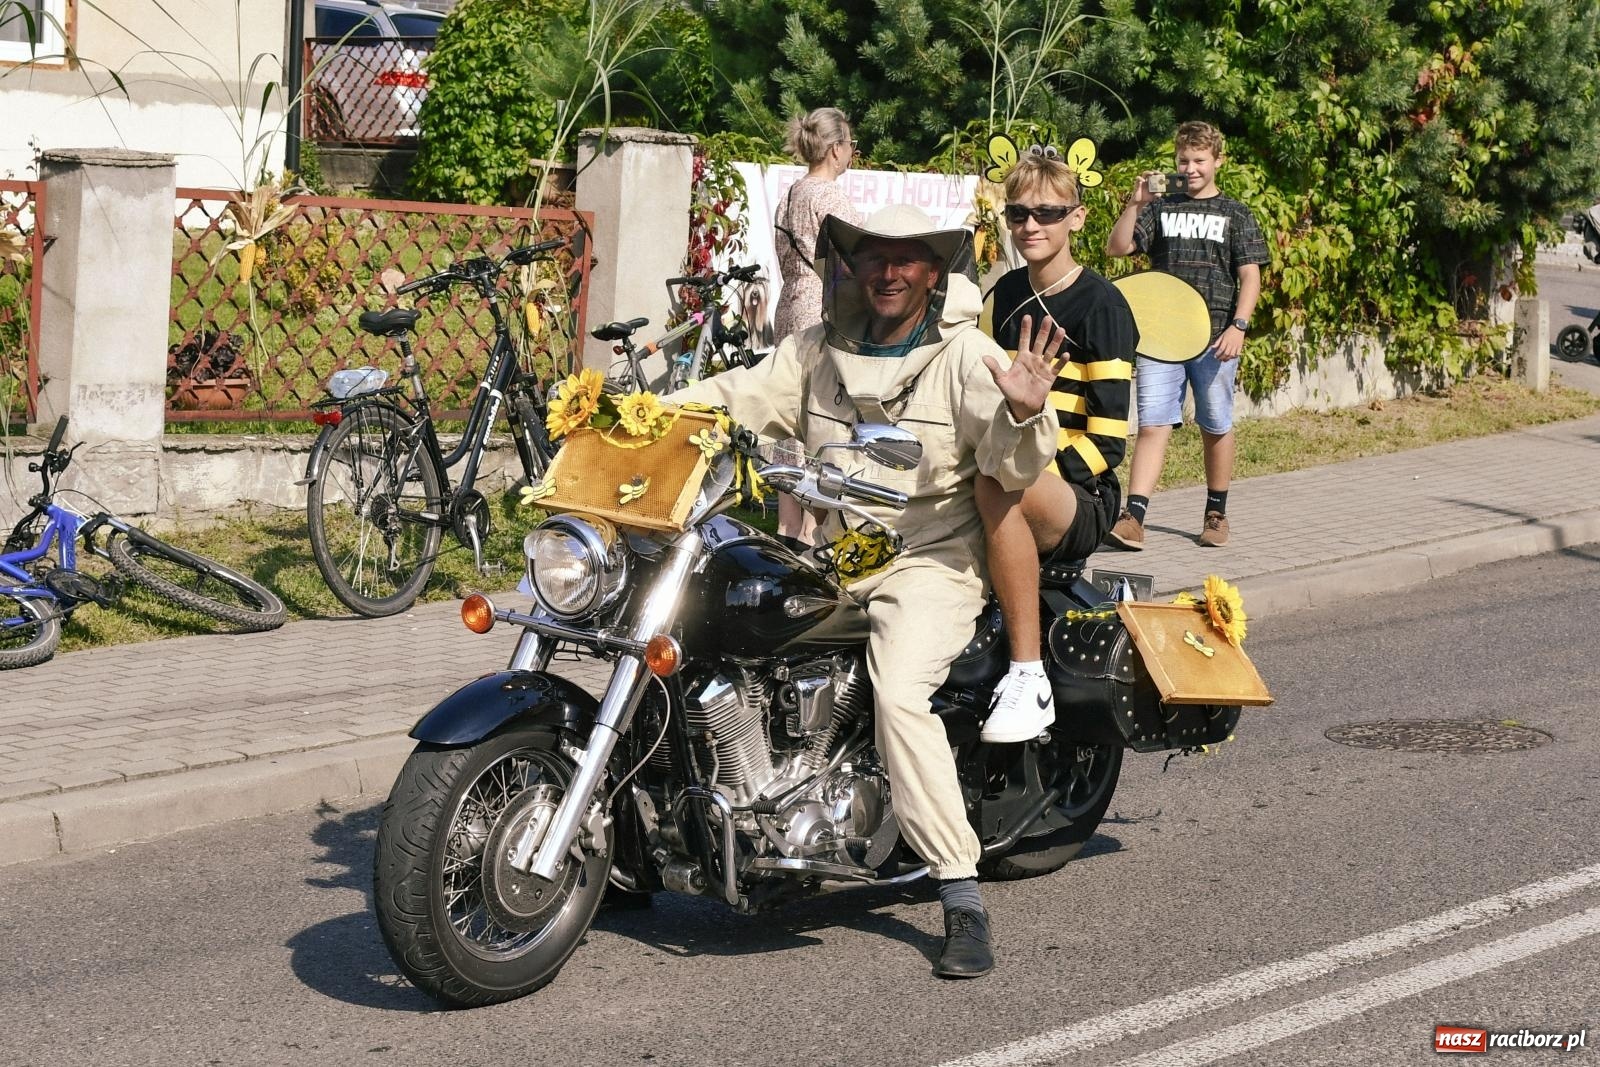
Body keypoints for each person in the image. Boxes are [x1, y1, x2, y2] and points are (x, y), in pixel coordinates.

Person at [671, 203, 1066, 980]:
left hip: (930, 558)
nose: (887, 273)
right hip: (840, 552)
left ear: (932, 272)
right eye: (874, 258)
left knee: (899, 691)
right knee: (707, 620)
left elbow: (1009, 466)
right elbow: (743, 393)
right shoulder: (818, 349)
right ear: (852, 266)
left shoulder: (964, 354)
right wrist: (652, 410)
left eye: (906, 260)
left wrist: (1024, 409)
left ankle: (960, 891)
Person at [975, 149, 1137, 744]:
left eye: (1047, 211)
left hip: (1080, 495)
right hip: (1012, 463)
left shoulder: (1103, 306)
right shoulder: (1005, 294)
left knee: (997, 483)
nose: (1030, 226)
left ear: (1079, 219)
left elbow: (1110, 442)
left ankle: (1027, 677)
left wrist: (1043, 471)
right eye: (1018, 214)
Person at [1104, 120, 1268, 549]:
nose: (1190, 168)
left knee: (1215, 424)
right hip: (1162, 337)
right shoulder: (1160, 208)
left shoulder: (1235, 213)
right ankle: (1133, 517)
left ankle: (1216, 514)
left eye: (1199, 160)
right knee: (1153, 424)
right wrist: (1135, 204)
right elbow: (1117, 248)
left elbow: (1249, 276)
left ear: (1217, 161)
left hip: (1217, 338)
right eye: (1183, 160)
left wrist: (1239, 326)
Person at [772, 107, 861, 546]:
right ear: (835, 149)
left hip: (787, 304)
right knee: (822, 413)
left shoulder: (789, 195)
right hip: (823, 307)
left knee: (789, 412)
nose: (851, 153)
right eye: (849, 145)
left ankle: (788, 523)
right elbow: (858, 259)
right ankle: (813, 528)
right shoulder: (830, 197)